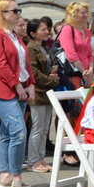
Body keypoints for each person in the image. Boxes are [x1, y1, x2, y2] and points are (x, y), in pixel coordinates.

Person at [0, 0, 36, 187]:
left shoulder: (15, 36)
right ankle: (16, 176)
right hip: (5, 91)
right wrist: (17, 86)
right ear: (2, 14)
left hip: (20, 89)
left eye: (18, 10)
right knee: (18, 132)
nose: (18, 14)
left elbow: (25, 64)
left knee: (7, 133)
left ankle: (5, 174)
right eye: (14, 11)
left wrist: (30, 84)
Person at [25, 19, 59, 173]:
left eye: (47, 29)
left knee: (45, 128)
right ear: (33, 33)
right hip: (38, 92)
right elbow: (34, 72)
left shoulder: (44, 46)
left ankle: (40, 158)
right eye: (43, 30)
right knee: (37, 128)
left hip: (47, 91)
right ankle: (33, 160)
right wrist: (51, 81)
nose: (47, 32)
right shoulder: (31, 48)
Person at [58, 1, 94, 88]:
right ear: (73, 15)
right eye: (83, 13)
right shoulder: (67, 29)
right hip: (74, 74)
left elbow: (90, 54)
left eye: (86, 12)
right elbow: (71, 54)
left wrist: (91, 70)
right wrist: (83, 72)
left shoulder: (87, 31)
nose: (86, 15)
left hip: (87, 74)